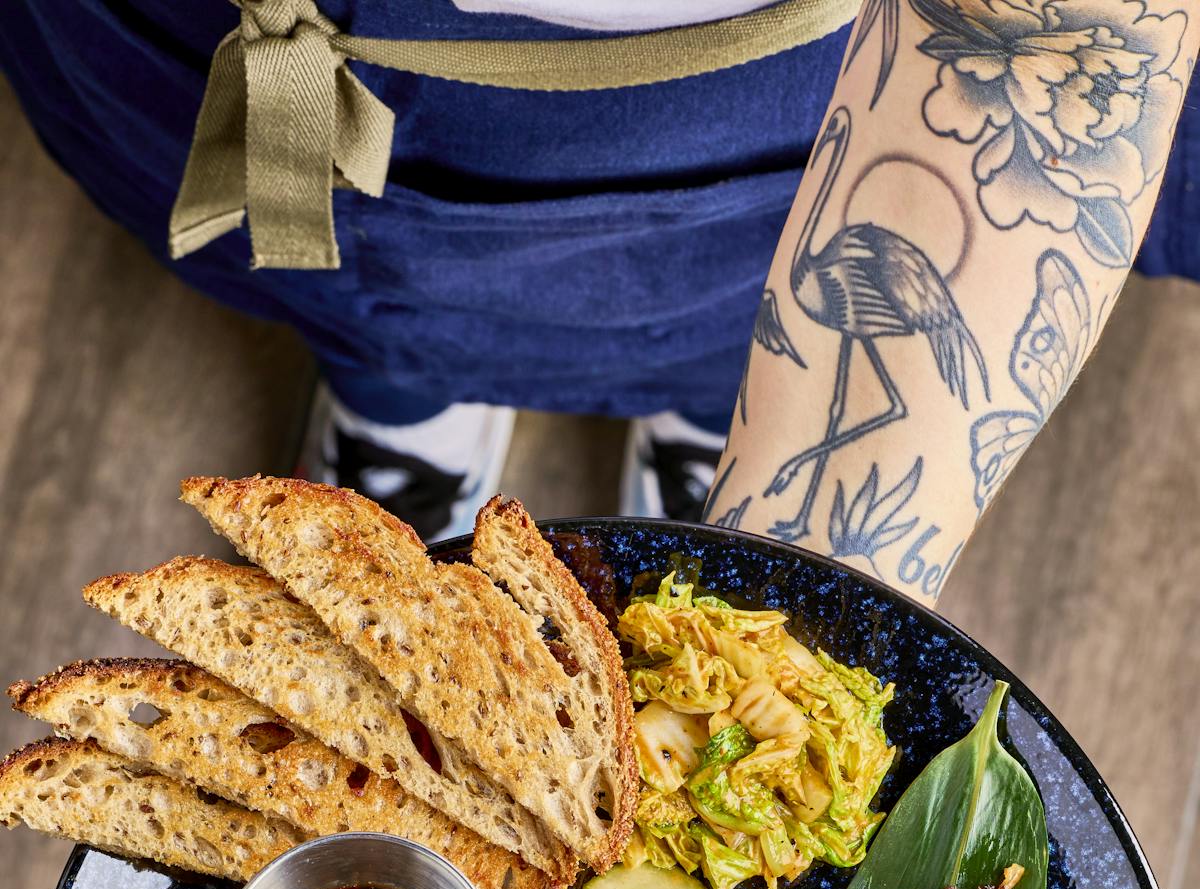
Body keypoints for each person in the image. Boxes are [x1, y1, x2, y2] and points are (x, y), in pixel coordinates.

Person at [3, 1, 1196, 603]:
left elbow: (1041, 44)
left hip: (798, 81)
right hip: (260, 45)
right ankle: (402, 410)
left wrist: (783, 605)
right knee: (341, 284)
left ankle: (718, 440)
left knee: (752, 310)